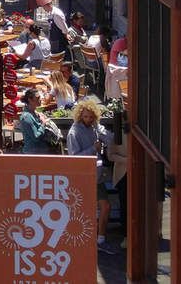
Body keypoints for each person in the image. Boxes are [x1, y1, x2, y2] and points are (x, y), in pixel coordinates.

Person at [66, 98, 115, 253]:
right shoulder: (74, 132)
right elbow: (74, 158)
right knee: (102, 207)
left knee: (100, 208)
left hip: (97, 175)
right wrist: (93, 148)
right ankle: (97, 239)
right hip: (85, 177)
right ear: (80, 115)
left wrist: (101, 132)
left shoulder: (94, 126)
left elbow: (111, 138)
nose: (88, 119)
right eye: (86, 117)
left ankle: (98, 239)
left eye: (91, 117)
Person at [17, 89, 50, 154]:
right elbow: (36, 137)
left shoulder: (36, 113)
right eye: (37, 98)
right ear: (30, 100)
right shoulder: (26, 117)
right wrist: (43, 124)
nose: (40, 100)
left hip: (41, 150)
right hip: (32, 153)